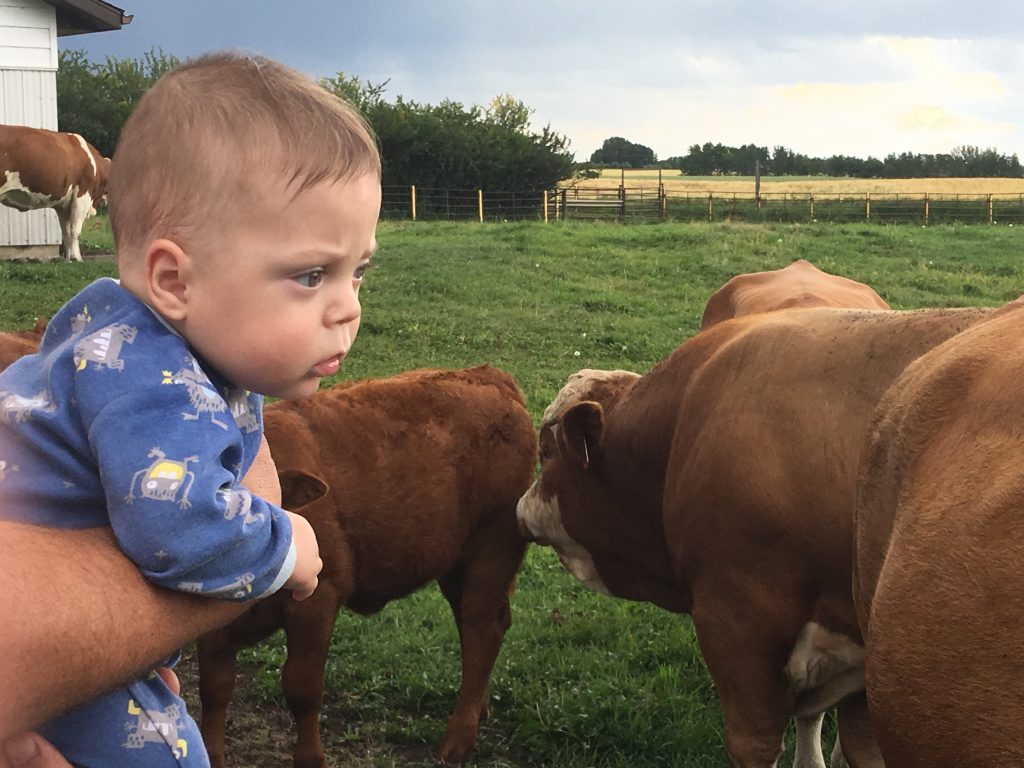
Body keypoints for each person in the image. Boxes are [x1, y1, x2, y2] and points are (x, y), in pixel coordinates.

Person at [0, 51, 381, 767]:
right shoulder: (159, 383)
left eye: (359, 270)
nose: (350, 308)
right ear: (174, 280)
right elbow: (180, 525)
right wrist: (288, 543)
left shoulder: (111, 334)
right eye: (310, 275)